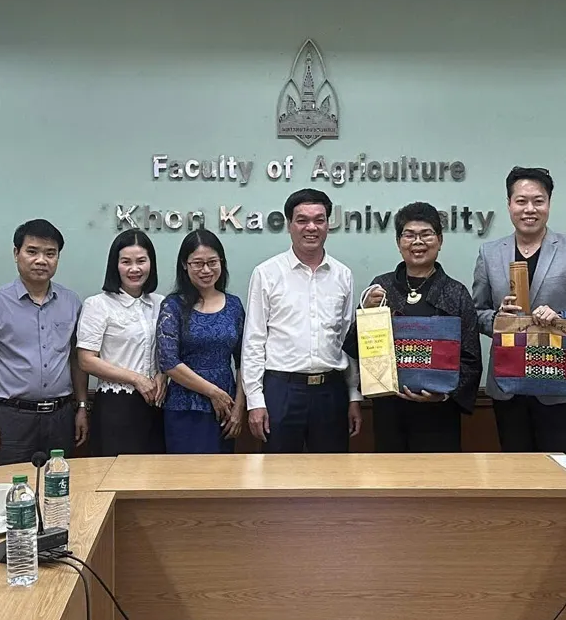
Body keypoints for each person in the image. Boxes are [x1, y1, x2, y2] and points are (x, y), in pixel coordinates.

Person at [472, 167, 566, 454]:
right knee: (514, 470)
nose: (529, 209)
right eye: (521, 201)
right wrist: (498, 319)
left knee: (558, 469)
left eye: (538, 201)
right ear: (509, 204)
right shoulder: (489, 253)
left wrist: (561, 319)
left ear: (548, 204)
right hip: (507, 382)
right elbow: (477, 313)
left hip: (558, 382)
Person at [347, 202, 482, 452]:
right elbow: (357, 349)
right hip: (389, 411)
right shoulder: (380, 288)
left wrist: (444, 394)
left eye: (426, 234)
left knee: (437, 475)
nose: (417, 242)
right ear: (399, 242)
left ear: (440, 240)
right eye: (409, 235)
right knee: (389, 474)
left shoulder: (456, 293)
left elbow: (471, 358)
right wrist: (366, 312)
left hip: (439, 414)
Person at [242, 189, 362, 453]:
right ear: (289, 225)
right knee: (278, 471)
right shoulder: (267, 273)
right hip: (281, 390)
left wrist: (354, 394)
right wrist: (255, 400)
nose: (311, 227)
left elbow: (347, 339)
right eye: (302, 220)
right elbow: (254, 340)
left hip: (331, 390)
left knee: (333, 471)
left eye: (319, 220)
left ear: (328, 225)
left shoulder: (343, 275)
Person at [0, 219, 89, 466]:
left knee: (60, 484)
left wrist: (81, 407)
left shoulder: (71, 302)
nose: (41, 260)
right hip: (12, 418)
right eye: (32, 251)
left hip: (60, 417)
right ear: (16, 253)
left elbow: (76, 360)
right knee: (10, 485)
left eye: (50, 253)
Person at [77, 229, 167, 456]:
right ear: (115, 265)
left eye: (141, 261)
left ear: (151, 264)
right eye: (126, 262)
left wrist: (163, 375)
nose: (134, 269)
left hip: (157, 403)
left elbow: (169, 350)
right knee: (118, 472)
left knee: (155, 473)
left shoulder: (161, 303)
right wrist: (136, 379)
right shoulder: (98, 305)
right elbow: (86, 360)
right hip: (117, 405)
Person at [157, 230, 246, 453]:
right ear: (184, 265)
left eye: (212, 262)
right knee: (186, 473)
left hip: (226, 409)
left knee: (223, 472)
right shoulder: (173, 306)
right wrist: (213, 392)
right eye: (198, 263)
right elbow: (168, 362)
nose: (206, 270)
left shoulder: (234, 305)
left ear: (221, 262)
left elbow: (244, 361)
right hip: (185, 407)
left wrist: (239, 408)